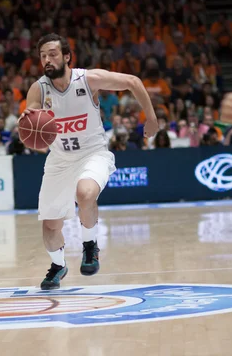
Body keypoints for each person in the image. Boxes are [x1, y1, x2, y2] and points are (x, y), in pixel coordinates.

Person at [19, 33, 157, 290]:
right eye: (43, 56)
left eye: (53, 54)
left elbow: (133, 81)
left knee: (85, 192)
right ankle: (58, 266)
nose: (47, 60)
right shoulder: (39, 88)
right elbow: (33, 117)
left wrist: (150, 118)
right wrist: (28, 118)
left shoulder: (88, 79)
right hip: (59, 159)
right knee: (50, 228)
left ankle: (90, 245)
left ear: (67, 57)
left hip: (93, 153)